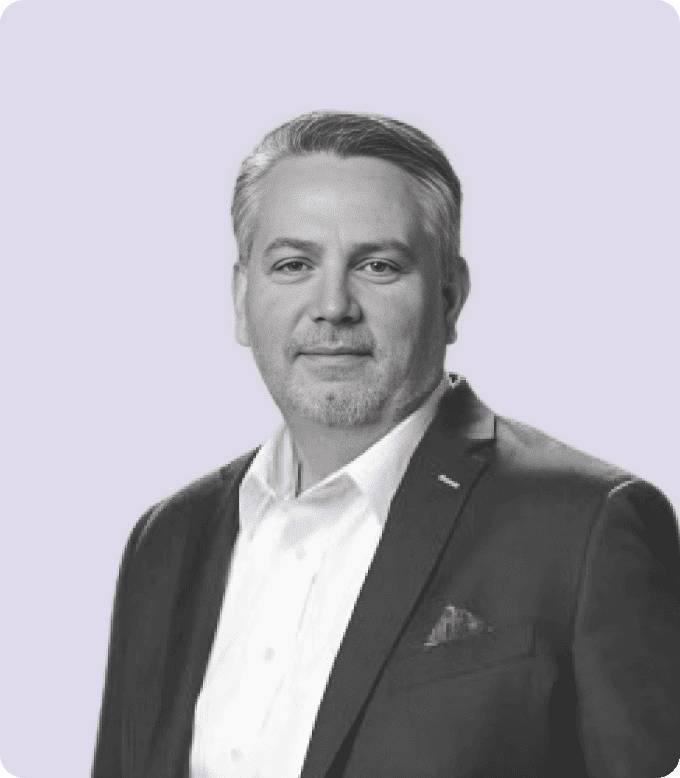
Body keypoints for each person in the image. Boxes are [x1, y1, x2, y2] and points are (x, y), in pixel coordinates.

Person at [92, 111, 680, 778]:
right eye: (293, 264)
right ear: (240, 297)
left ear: (451, 295)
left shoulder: (587, 525)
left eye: (377, 265)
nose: (333, 306)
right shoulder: (167, 538)